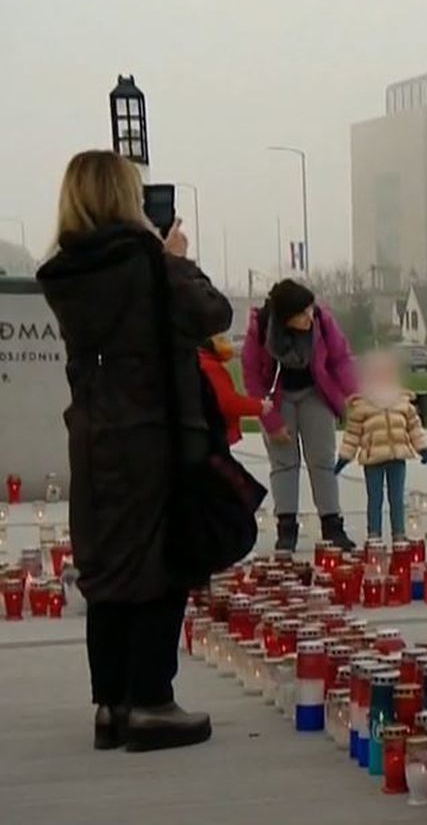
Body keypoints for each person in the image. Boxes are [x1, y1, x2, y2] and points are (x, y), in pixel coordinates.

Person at [36, 150, 232, 752]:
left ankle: (111, 703)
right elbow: (212, 314)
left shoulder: (64, 273)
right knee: (160, 563)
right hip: (156, 434)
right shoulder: (148, 264)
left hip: (94, 435)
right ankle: (151, 701)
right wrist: (176, 260)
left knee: (107, 568)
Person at [242, 279, 358, 552]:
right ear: (285, 317)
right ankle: (286, 527)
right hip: (278, 397)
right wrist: (271, 422)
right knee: (284, 462)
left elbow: (340, 359)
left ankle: (332, 524)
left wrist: (353, 393)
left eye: (310, 310)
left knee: (322, 460)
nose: (309, 317)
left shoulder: (321, 321)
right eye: (302, 313)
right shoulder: (261, 329)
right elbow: (252, 377)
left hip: (315, 392)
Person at [334, 350, 427, 542]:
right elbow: (352, 435)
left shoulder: (402, 401)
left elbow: (414, 427)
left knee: (397, 498)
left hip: (397, 457)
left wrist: (422, 447)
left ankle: (399, 533)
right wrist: (345, 457)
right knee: (375, 499)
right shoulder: (362, 405)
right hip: (373, 459)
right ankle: (374, 534)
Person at [198, 333, 272, 447]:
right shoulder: (210, 367)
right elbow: (227, 402)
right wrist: (260, 406)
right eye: (220, 340)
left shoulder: (200, 362)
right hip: (213, 433)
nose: (226, 345)